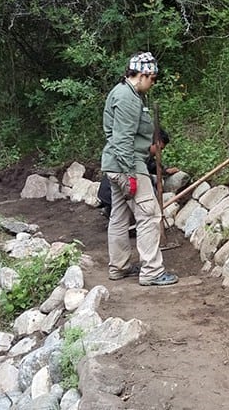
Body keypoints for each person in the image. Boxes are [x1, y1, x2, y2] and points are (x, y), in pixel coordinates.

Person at [100, 51, 178, 286]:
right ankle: (152, 272)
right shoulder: (127, 98)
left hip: (114, 164)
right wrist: (131, 175)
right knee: (149, 215)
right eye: (152, 79)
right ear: (143, 74)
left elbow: (111, 133)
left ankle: (119, 267)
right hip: (128, 164)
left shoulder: (123, 93)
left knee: (119, 217)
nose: (152, 83)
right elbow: (122, 138)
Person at [97, 127, 179, 218]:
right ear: (152, 143)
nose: (159, 152)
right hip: (110, 194)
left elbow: (151, 165)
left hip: (107, 193)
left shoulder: (137, 150)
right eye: (160, 148)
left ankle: (111, 211)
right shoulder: (138, 155)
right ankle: (113, 212)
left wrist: (165, 171)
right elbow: (147, 167)